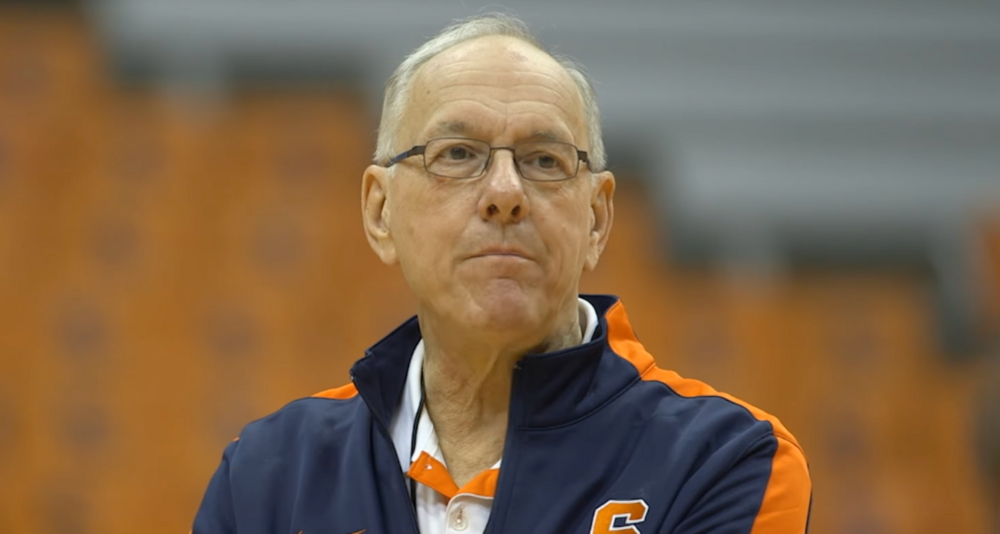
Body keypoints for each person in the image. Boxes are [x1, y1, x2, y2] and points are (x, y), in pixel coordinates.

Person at [192, 13, 812, 534]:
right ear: (381, 212)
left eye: (545, 159)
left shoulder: (728, 460)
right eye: (457, 154)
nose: (506, 192)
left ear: (597, 218)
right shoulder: (269, 473)